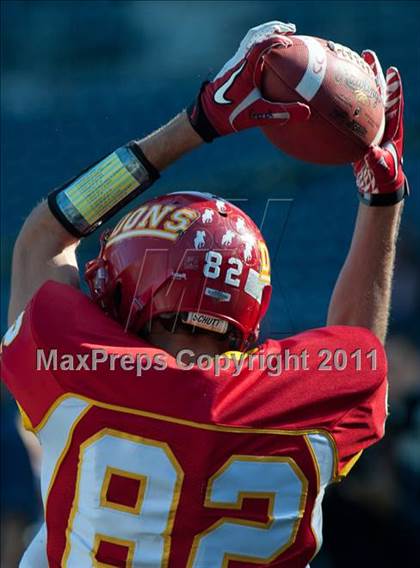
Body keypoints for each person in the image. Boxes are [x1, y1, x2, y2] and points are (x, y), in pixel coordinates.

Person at [0, 21, 408, 568]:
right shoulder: (307, 400)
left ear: (130, 292)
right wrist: (383, 199)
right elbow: (358, 344)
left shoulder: (76, 371)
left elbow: (44, 238)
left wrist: (200, 123)